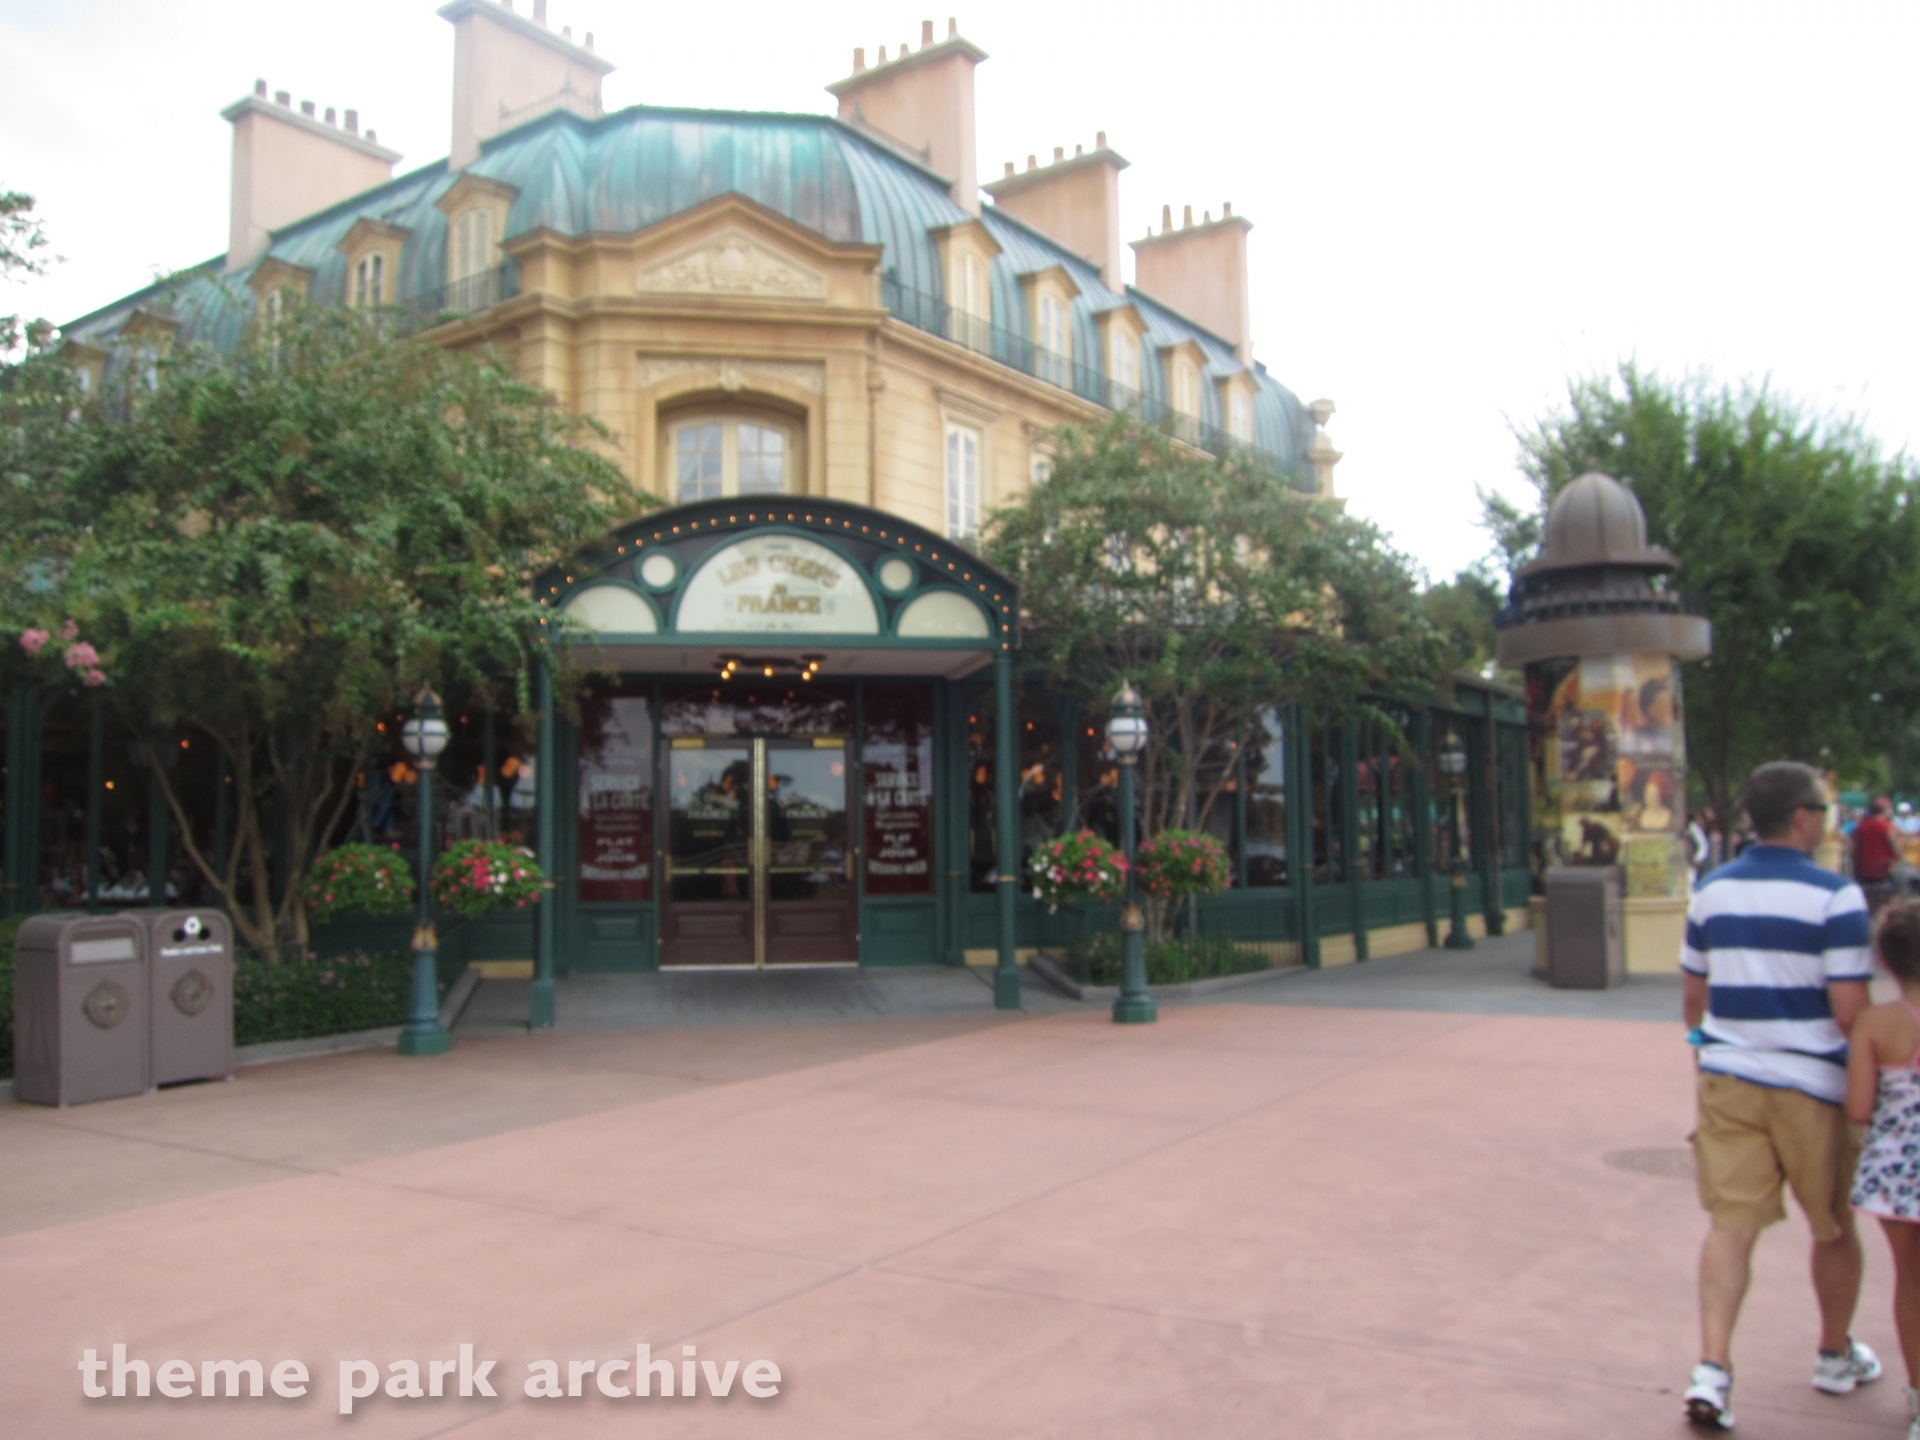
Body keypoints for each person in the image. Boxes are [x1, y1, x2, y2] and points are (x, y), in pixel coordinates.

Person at [1681, 761, 1879, 1430]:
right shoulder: (1836, 897)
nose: (1826, 822)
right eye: (1823, 810)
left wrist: (1710, 1052)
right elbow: (1849, 1011)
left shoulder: (1711, 891)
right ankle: (1833, 1353)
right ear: (1802, 818)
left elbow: (1693, 997)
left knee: (1730, 1226)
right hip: (1813, 1085)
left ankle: (1713, 1369)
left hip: (1729, 1078)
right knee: (1832, 1226)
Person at [1845, 899, 1920, 1440]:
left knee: (1910, 1281)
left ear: (1886, 961)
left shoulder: (1875, 1023)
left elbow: (1858, 1107)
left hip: (1897, 1170)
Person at [1855, 797, 1900, 910]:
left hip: (1864, 873)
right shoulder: (1885, 826)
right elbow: (1897, 849)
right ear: (1885, 810)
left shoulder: (1861, 826)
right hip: (1885, 872)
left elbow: (1855, 848)